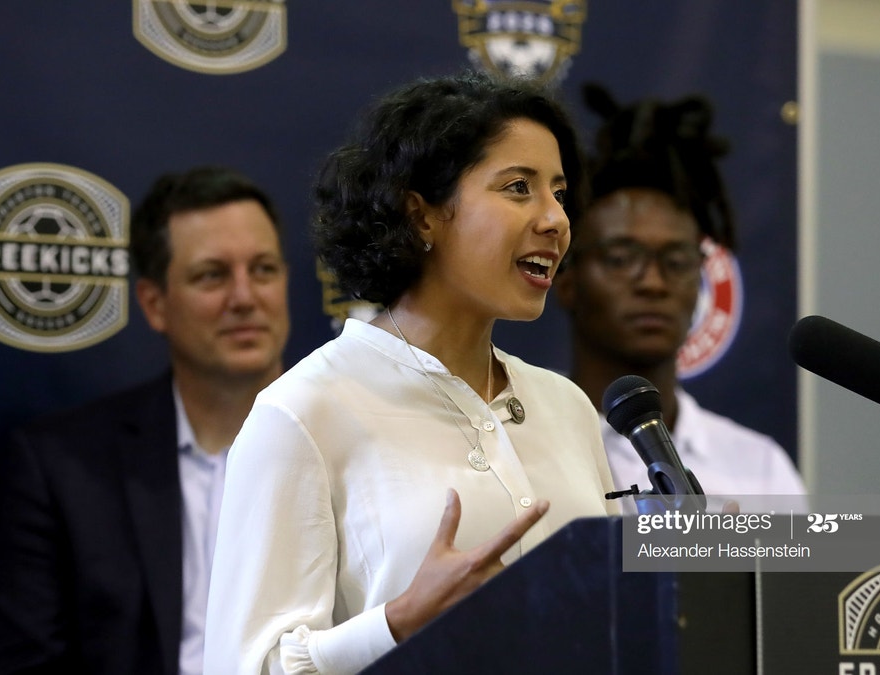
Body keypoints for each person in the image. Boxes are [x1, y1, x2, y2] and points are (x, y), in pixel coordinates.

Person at [203, 71, 618, 675]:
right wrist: (396, 623)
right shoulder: (304, 413)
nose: (555, 219)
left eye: (558, 192)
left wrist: (734, 548)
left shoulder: (566, 406)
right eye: (518, 188)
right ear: (421, 215)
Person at [0, 166, 292, 675]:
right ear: (154, 304)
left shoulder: (359, 441)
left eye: (264, 269)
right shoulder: (62, 469)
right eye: (212, 275)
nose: (244, 297)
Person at [553, 84, 805, 508]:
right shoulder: (522, 448)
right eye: (620, 257)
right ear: (567, 280)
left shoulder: (759, 469)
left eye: (676, 260)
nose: (653, 282)